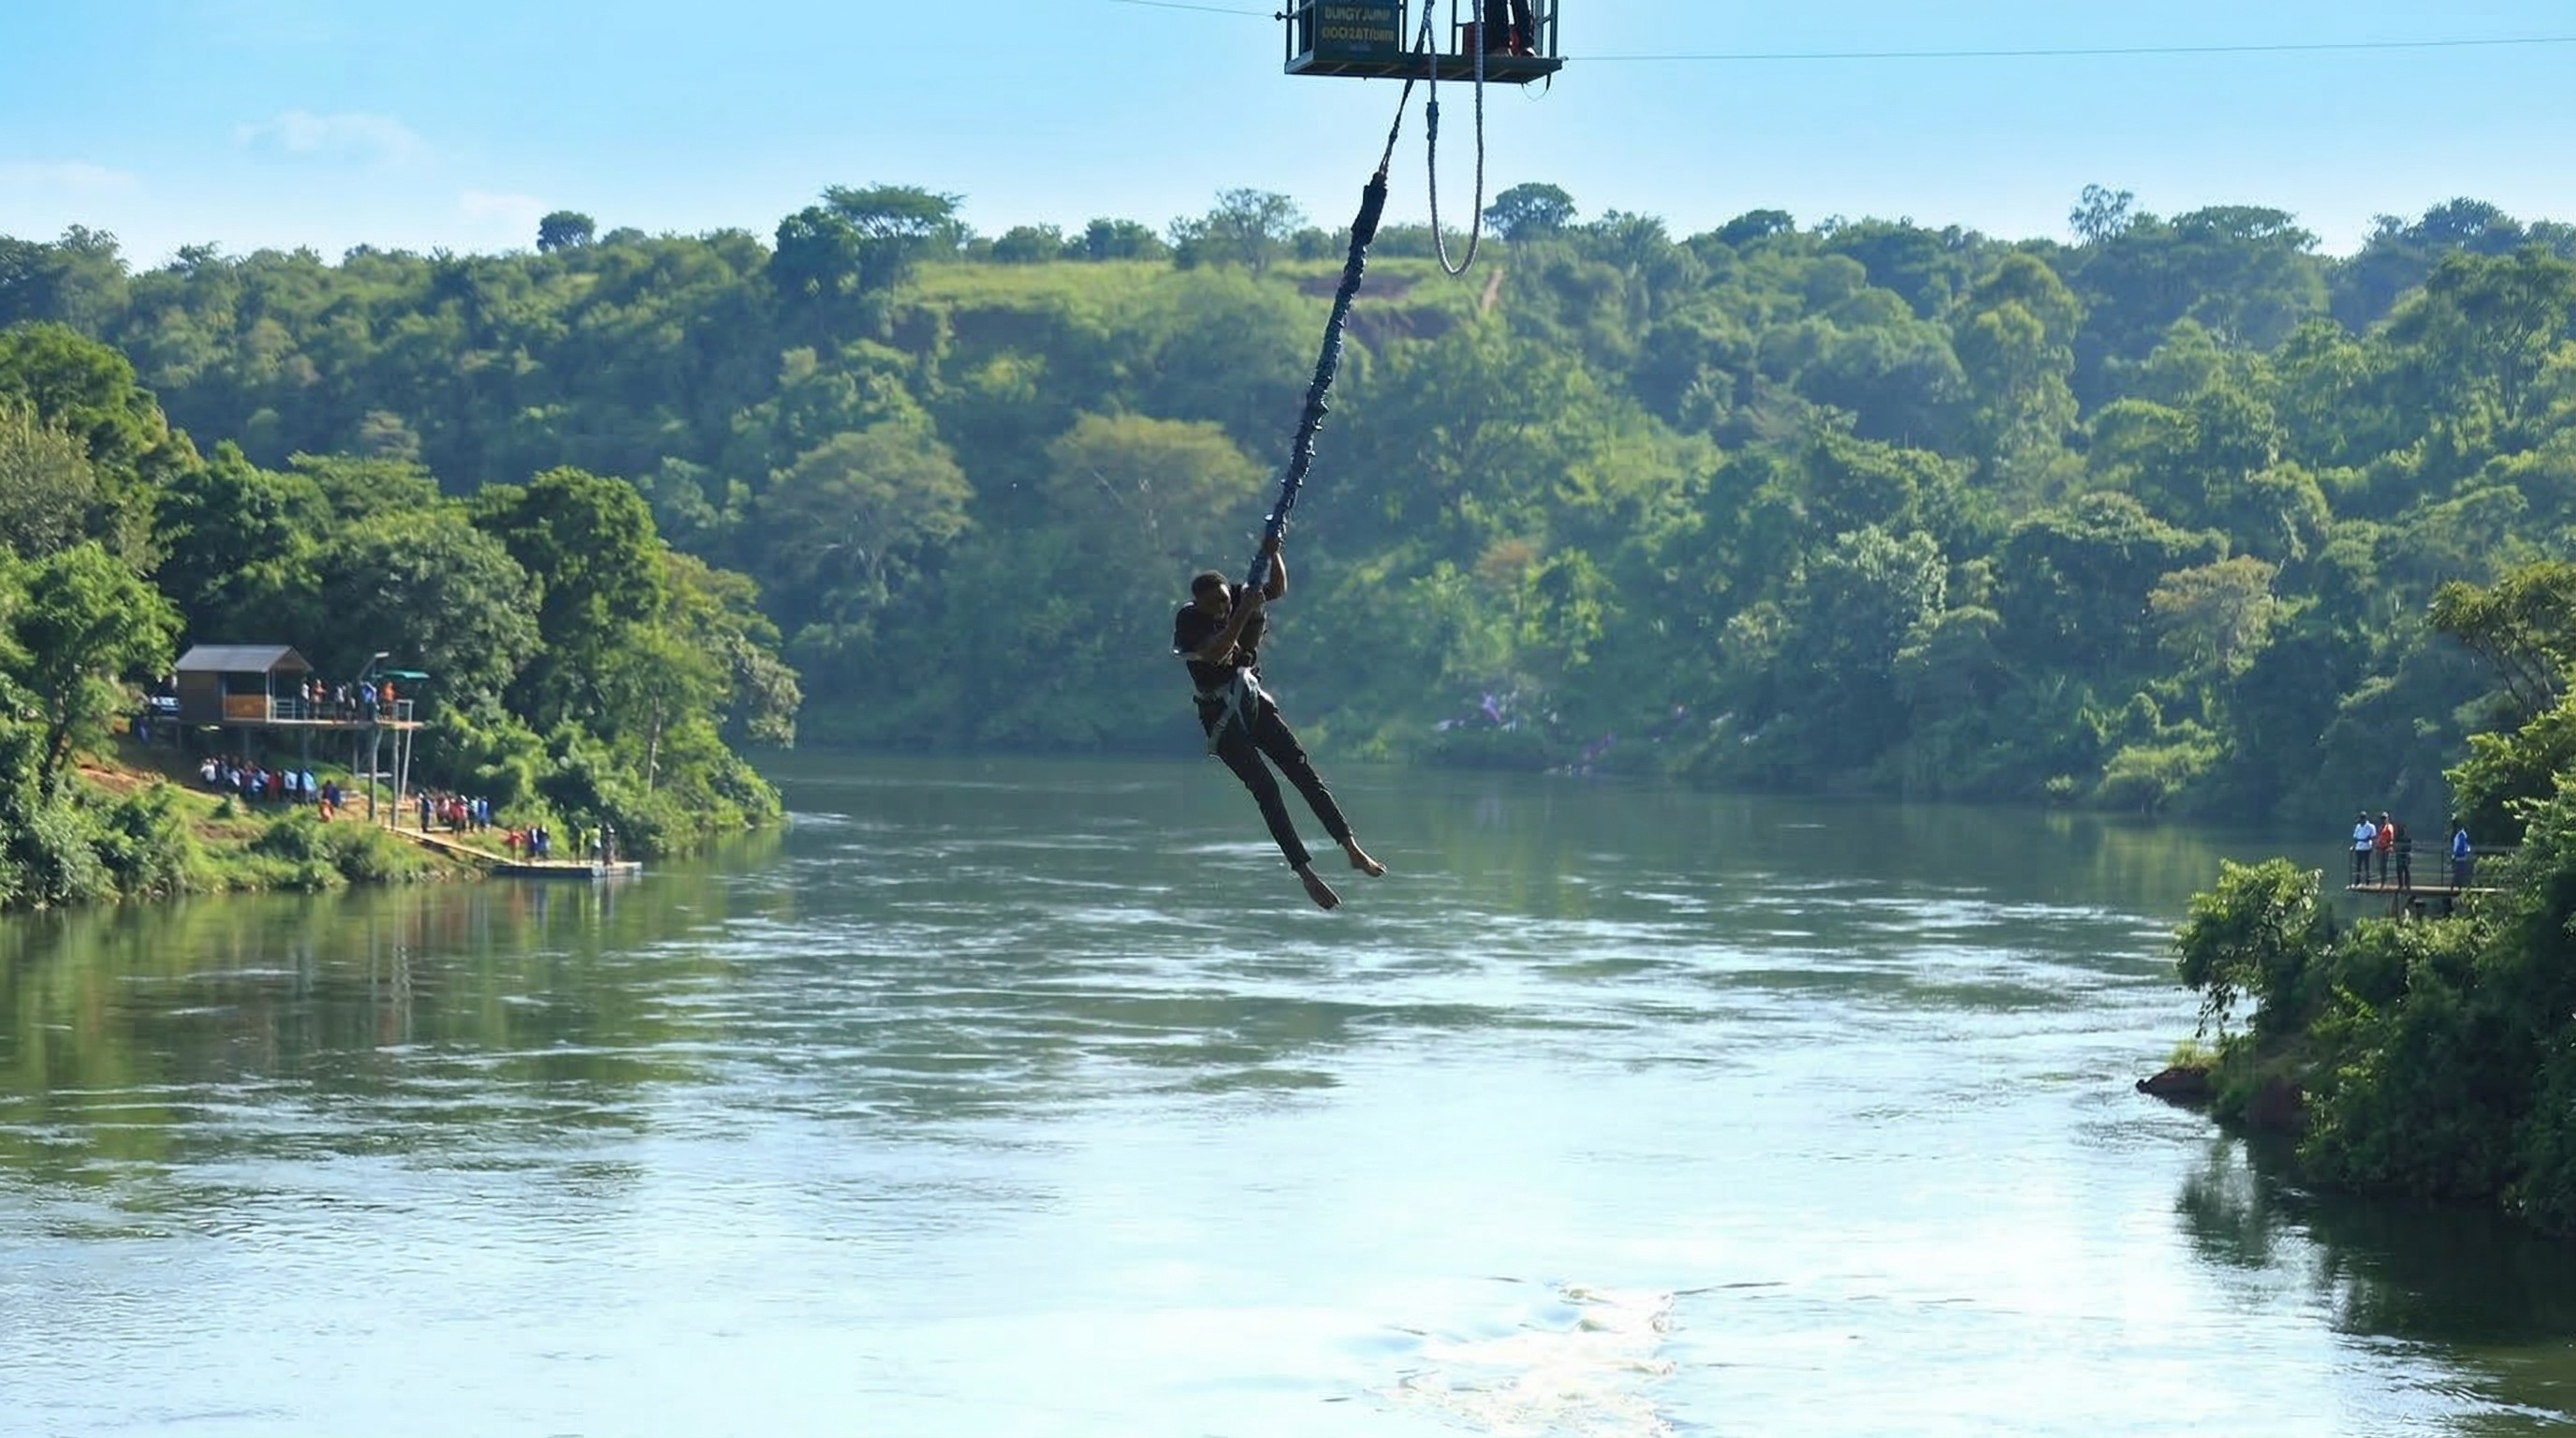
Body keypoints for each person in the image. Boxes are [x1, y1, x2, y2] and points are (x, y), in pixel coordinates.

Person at [1175, 534, 1384, 911]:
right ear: (1200, 605)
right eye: (1214, 605)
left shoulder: (1236, 596)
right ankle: (1306, 874)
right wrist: (1242, 612)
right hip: (1220, 718)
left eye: (1225, 599)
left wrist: (1274, 554)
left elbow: (1275, 588)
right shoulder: (1190, 620)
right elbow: (1218, 652)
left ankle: (1351, 848)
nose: (1222, 608)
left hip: (1251, 699)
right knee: (1267, 790)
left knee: (1302, 772)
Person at [2351, 810, 2375, 887]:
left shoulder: (2371, 826)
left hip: (2367, 848)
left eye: (2363, 818)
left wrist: (2365, 840)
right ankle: (2357, 881)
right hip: (2359, 848)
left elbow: (2373, 836)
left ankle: (2368, 881)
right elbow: (2355, 837)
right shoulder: (2358, 826)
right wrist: (2362, 840)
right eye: (2361, 818)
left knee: (2367, 866)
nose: (2362, 819)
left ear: (2366, 818)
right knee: (2358, 866)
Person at [2452, 817, 2473, 888]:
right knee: (2461, 871)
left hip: (2458, 856)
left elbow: (2457, 846)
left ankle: (2456, 885)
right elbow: (2464, 846)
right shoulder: (2462, 835)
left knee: (2458, 871)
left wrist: (2454, 855)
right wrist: (2468, 851)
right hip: (2462, 856)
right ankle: (2458, 885)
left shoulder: (2458, 835)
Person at [2374, 812, 2394, 883]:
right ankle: (2382, 879)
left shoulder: (2389, 827)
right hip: (2379, 848)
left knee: (2385, 865)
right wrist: (2376, 845)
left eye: (2384, 818)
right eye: (2382, 818)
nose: (2383, 820)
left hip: (2386, 848)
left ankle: (2384, 880)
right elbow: (2378, 837)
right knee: (2380, 865)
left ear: (2387, 819)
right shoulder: (2380, 827)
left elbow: (2391, 838)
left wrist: (2390, 846)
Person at [2393, 820, 2412, 891]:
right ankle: (2402, 885)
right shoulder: (2397, 838)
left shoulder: (2407, 838)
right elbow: (2396, 847)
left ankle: (2407, 885)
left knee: (2405, 870)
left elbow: (2409, 848)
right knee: (2401, 871)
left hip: (2405, 855)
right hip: (2400, 856)